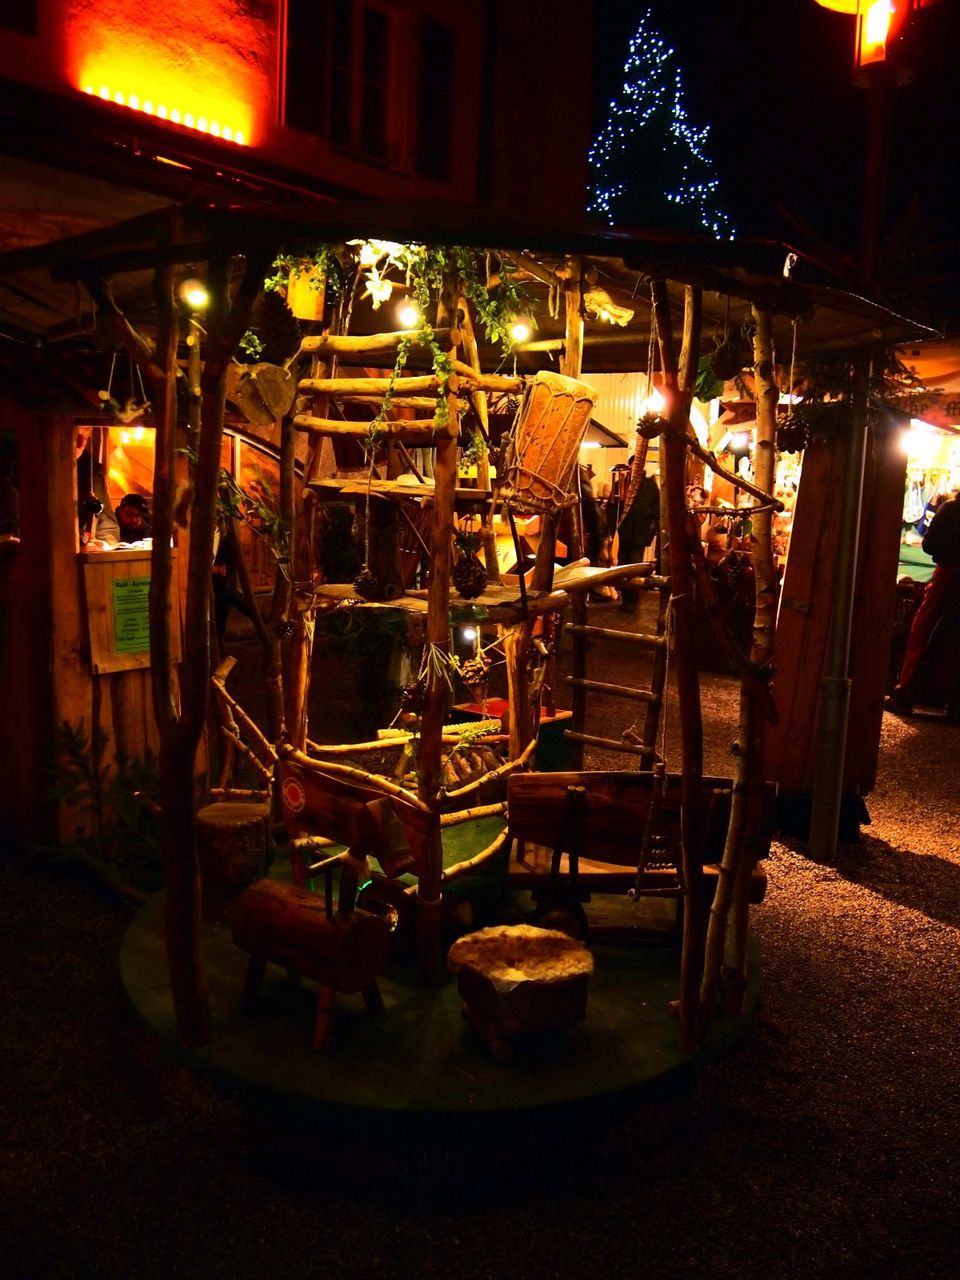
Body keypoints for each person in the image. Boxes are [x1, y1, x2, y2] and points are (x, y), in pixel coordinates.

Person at [886, 490, 960, 718]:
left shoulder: (951, 509)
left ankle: (905, 692)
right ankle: (953, 703)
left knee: (925, 629)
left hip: (947, 575)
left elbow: (929, 544)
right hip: (948, 573)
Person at [617, 465, 660, 613]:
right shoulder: (621, 483)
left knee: (634, 567)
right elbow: (612, 506)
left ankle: (633, 601)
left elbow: (656, 509)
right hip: (623, 534)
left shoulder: (649, 485)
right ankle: (626, 599)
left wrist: (651, 532)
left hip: (639, 534)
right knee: (622, 568)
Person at [75, 426, 119, 548]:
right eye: (75, 437)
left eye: (84, 438)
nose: (80, 444)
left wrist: (104, 544)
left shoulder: (93, 475)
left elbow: (107, 527)